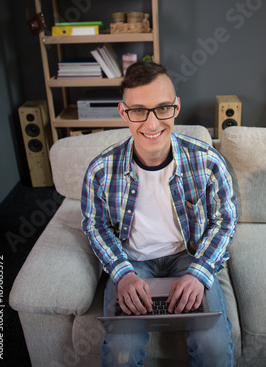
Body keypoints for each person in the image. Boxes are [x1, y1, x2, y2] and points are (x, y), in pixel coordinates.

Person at [81, 61, 238, 367]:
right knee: (120, 354)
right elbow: (95, 226)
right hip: (133, 262)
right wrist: (121, 273)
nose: (152, 124)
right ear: (123, 112)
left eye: (162, 108)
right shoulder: (100, 170)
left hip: (188, 257)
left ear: (176, 107)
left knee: (214, 349)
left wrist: (200, 273)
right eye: (139, 110)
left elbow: (225, 220)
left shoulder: (208, 162)